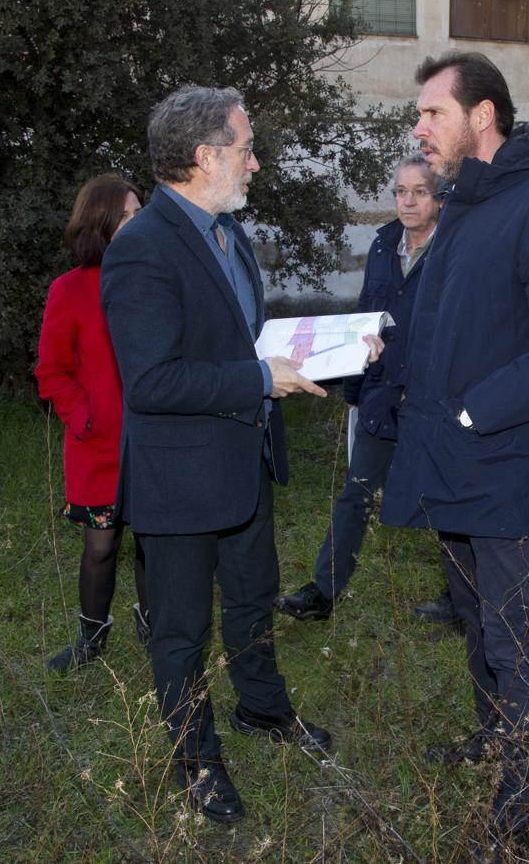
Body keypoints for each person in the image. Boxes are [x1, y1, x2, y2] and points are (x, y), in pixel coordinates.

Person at [101, 85, 380, 825]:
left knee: (254, 604)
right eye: (246, 148)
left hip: (244, 463)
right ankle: (197, 765)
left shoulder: (229, 233)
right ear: (204, 157)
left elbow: (239, 338)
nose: (256, 163)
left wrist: (334, 347)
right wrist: (260, 378)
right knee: (181, 630)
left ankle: (263, 710)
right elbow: (152, 380)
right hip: (180, 480)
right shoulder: (141, 248)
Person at [380, 52, 529, 854]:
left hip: (504, 468)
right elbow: (451, 324)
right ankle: (490, 740)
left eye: (431, 113)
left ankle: (515, 818)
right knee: (477, 623)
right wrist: (375, 354)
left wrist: (475, 413)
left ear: (481, 117)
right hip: (450, 462)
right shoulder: (466, 206)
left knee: (514, 642)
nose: (419, 128)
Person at [276, 154, 460, 626]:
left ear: (439, 197)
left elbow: (457, 330)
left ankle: (464, 601)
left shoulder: (457, 248)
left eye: (420, 191)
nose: (408, 201)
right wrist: (356, 389)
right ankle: (323, 590)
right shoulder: (383, 246)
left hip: (431, 398)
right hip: (381, 392)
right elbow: (363, 319)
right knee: (356, 491)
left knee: (447, 495)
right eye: (401, 191)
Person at [36, 172, 149, 673]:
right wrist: (84, 418)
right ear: (99, 223)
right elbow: (51, 371)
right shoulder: (70, 289)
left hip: (154, 439)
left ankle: (155, 627)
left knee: (153, 541)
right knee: (101, 546)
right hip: (98, 444)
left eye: (138, 213)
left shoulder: (155, 277)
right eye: (125, 214)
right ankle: (91, 638)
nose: (135, 222)